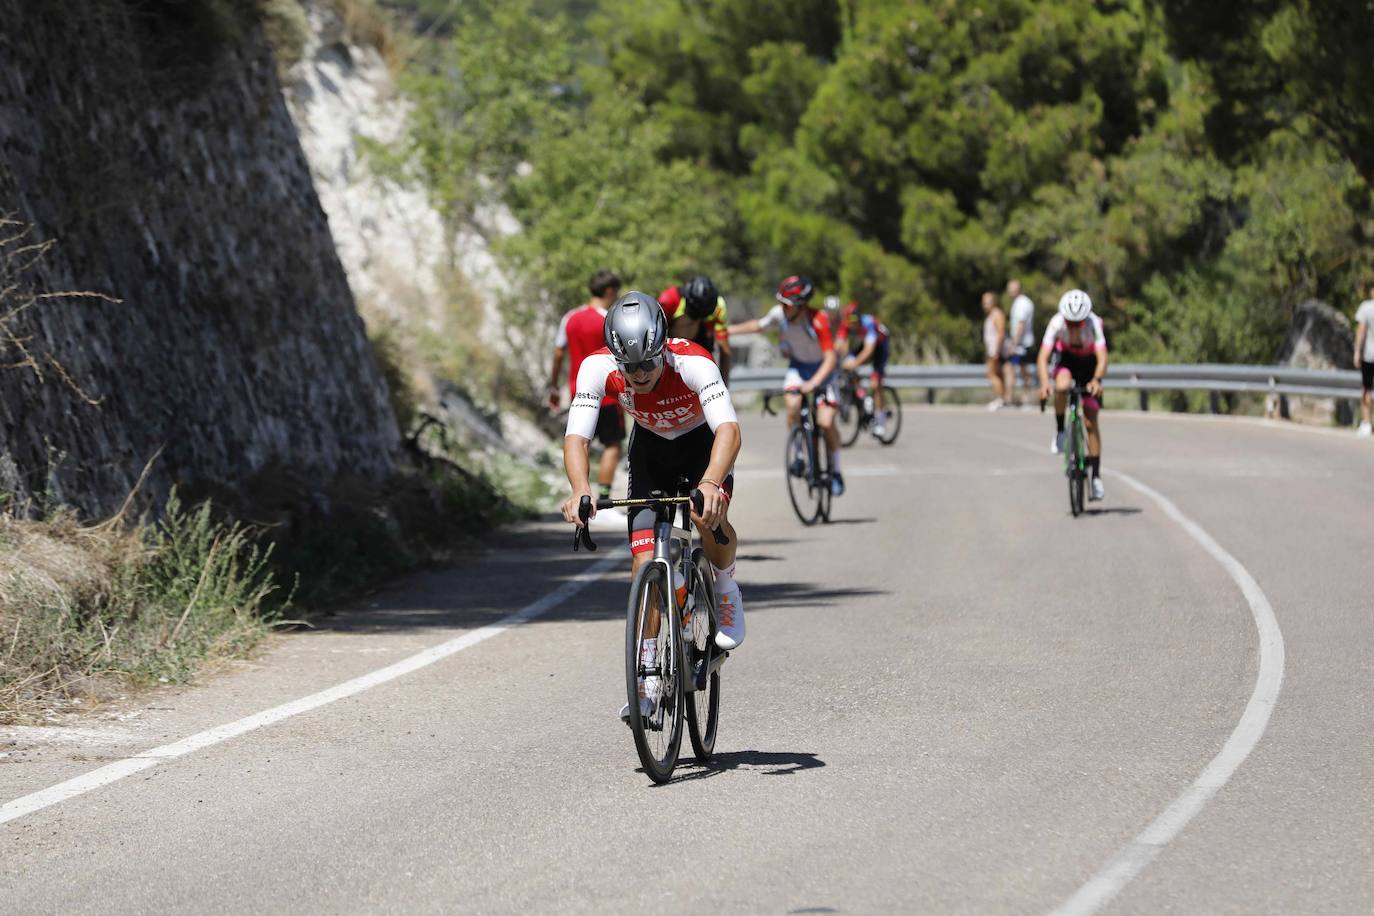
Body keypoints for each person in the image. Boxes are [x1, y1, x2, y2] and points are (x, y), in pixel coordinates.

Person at [560, 292, 744, 720]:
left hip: (703, 447)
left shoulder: (694, 363)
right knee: (644, 564)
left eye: (647, 363)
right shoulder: (597, 368)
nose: (639, 375)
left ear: (662, 346)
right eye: (630, 367)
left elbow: (729, 430)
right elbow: (577, 438)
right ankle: (646, 681)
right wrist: (581, 488)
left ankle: (725, 585)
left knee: (704, 514)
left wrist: (712, 482)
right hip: (651, 454)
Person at [728, 275, 846, 495]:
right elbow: (758, 326)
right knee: (792, 405)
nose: (781, 307)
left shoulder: (818, 320)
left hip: (823, 371)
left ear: (800, 307)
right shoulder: (779, 314)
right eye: (780, 302)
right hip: (799, 367)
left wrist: (814, 382)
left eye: (787, 304)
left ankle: (836, 470)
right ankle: (799, 454)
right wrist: (727, 331)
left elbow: (830, 358)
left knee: (826, 422)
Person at [548, 271, 625, 518]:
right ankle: (602, 498)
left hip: (578, 391)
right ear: (610, 291)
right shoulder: (609, 319)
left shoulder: (569, 318)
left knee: (580, 442)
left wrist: (553, 386)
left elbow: (559, 353)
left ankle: (582, 494)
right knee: (612, 444)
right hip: (608, 392)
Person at [1037, 288, 1109, 501]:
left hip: (1089, 364)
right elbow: (1042, 358)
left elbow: (1103, 357)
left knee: (1090, 421)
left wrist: (1096, 380)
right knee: (1061, 386)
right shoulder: (1056, 323)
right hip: (1067, 359)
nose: (1074, 327)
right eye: (1070, 323)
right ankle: (1060, 431)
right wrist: (1043, 384)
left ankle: (1095, 476)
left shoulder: (1094, 324)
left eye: (1078, 323)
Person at [835, 299, 894, 438]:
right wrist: (839, 359)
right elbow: (839, 344)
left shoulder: (869, 323)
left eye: (855, 321)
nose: (852, 325)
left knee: (875, 383)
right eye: (850, 322)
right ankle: (862, 395)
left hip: (880, 346)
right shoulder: (846, 324)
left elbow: (868, 350)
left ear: (859, 318)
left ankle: (880, 422)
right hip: (864, 344)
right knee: (849, 366)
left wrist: (854, 363)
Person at [658, 274, 732, 384]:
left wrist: (723, 386)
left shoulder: (719, 307)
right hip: (670, 344)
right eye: (694, 315)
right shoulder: (669, 300)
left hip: (702, 342)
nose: (696, 319)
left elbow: (724, 349)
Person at [1002, 280, 1036, 406]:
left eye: (1012, 288)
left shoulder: (1022, 303)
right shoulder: (1019, 302)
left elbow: (1021, 324)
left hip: (1022, 344)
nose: (1009, 291)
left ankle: (1013, 398)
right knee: (1021, 370)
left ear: (1018, 289)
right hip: (1022, 343)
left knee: (1011, 368)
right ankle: (1019, 398)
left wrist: (1014, 344)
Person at [1354, 282, 1374, 436]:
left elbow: (1361, 332)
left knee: (1366, 390)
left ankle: (1367, 424)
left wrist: (1356, 352)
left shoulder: (1366, 307)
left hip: (1369, 356)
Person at [981, 291, 1006, 410]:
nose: (985, 305)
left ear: (994, 302)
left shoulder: (997, 314)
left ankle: (1000, 399)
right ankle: (1002, 399)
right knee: (998, 375)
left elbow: (1001, 333)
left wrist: (996, 351)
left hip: (995, 350)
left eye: (988, 302)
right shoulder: (991, 315)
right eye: (984, 302)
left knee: (991, 374)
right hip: (992, 350)